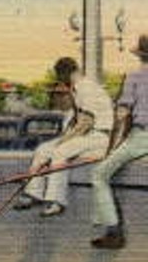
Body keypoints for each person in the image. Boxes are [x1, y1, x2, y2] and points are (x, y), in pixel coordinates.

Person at [15, 57, 113, 217]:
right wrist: (60, 141)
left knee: (60, 152)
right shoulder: (77, 89)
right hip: (86, 137)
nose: (61, 80)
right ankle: (33, 193)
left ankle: (56, 201)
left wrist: (62, 142)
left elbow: (86, 123)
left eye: (61, 76)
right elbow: (76, 124)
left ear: (67, 73)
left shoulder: (87, 88)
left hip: (99, 137)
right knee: (42, 149)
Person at [90, 36, 148, 248]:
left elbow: (122, 115)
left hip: (142, 138)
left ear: (140, 55)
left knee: (99, 175)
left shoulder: (134, 77)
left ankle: (113, 232)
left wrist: (110, 148)